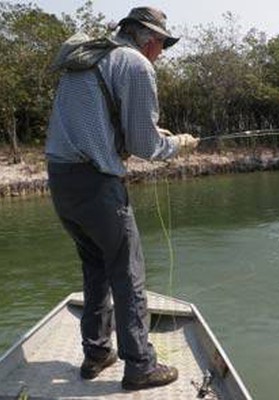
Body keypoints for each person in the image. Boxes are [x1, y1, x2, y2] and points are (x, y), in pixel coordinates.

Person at [45, 7, 198, 391]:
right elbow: (145, 147)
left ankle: (97, 353)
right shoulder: (135, 64)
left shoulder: (90, 56)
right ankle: (140, 366)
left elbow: (104, 124)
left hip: (61, 179)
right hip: (97, 184)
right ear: (149, 39)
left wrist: (151, 133)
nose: (162, 53)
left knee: (96, 266)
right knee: (127, 273)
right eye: (163, 45)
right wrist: (177, 145)